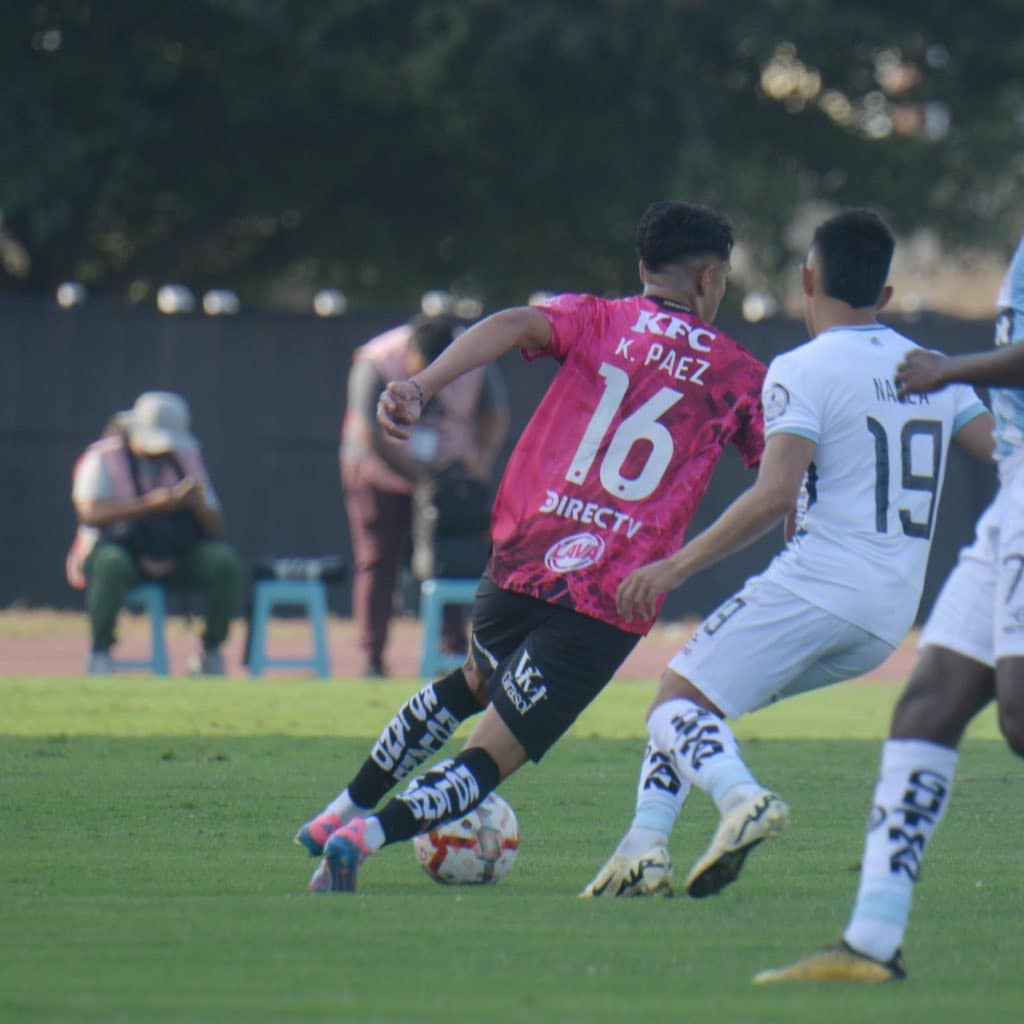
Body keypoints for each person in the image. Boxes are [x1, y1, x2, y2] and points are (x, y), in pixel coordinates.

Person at [294, 200, 768, 892]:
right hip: (610, 594)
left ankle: (337, 811)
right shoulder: (737, 374)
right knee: (493, 751)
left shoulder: (601, 318)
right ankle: (364, 839)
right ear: (708, 280)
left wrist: (422, 385)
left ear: (643, 268)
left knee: (470, 683)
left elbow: (515, 322)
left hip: (525, 556)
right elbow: (777, 476)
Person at [579, 209, 994, 904]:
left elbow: (774, 494)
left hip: (822, 582)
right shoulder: (937, 371)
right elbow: (1005, 458)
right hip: (888, 614)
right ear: (885, 296)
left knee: (673, 704)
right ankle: (641, 851)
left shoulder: (800, 367)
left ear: (806, 279)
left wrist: (673, 568)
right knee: (698, 700)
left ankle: (742, 800)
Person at [753, 231, 1024, 984]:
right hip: (1012, 498)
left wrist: (953, 369)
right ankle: (872, 940)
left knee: (1018, 718)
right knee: (927, 706)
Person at [340, 314, 508, 677]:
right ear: (412, 351)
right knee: (378, 558)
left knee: (452, 558)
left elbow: (495, 414)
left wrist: (482, 457)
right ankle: (373, 655)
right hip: (382, 473)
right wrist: (416, 476)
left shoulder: (474, 354)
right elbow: (367, 429)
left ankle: (453, 651)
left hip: (448, 476)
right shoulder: (379, 359)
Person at [67, 391, 242, 675]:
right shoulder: (102, 458)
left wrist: (195, 504)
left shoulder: (187, 459)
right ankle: (100, 652)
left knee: (223, 562)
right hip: (120, 552)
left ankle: (211, 652)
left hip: (173, 554)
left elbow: (214, 525)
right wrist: (149, 505)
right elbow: (89, 513)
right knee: (110, 564)